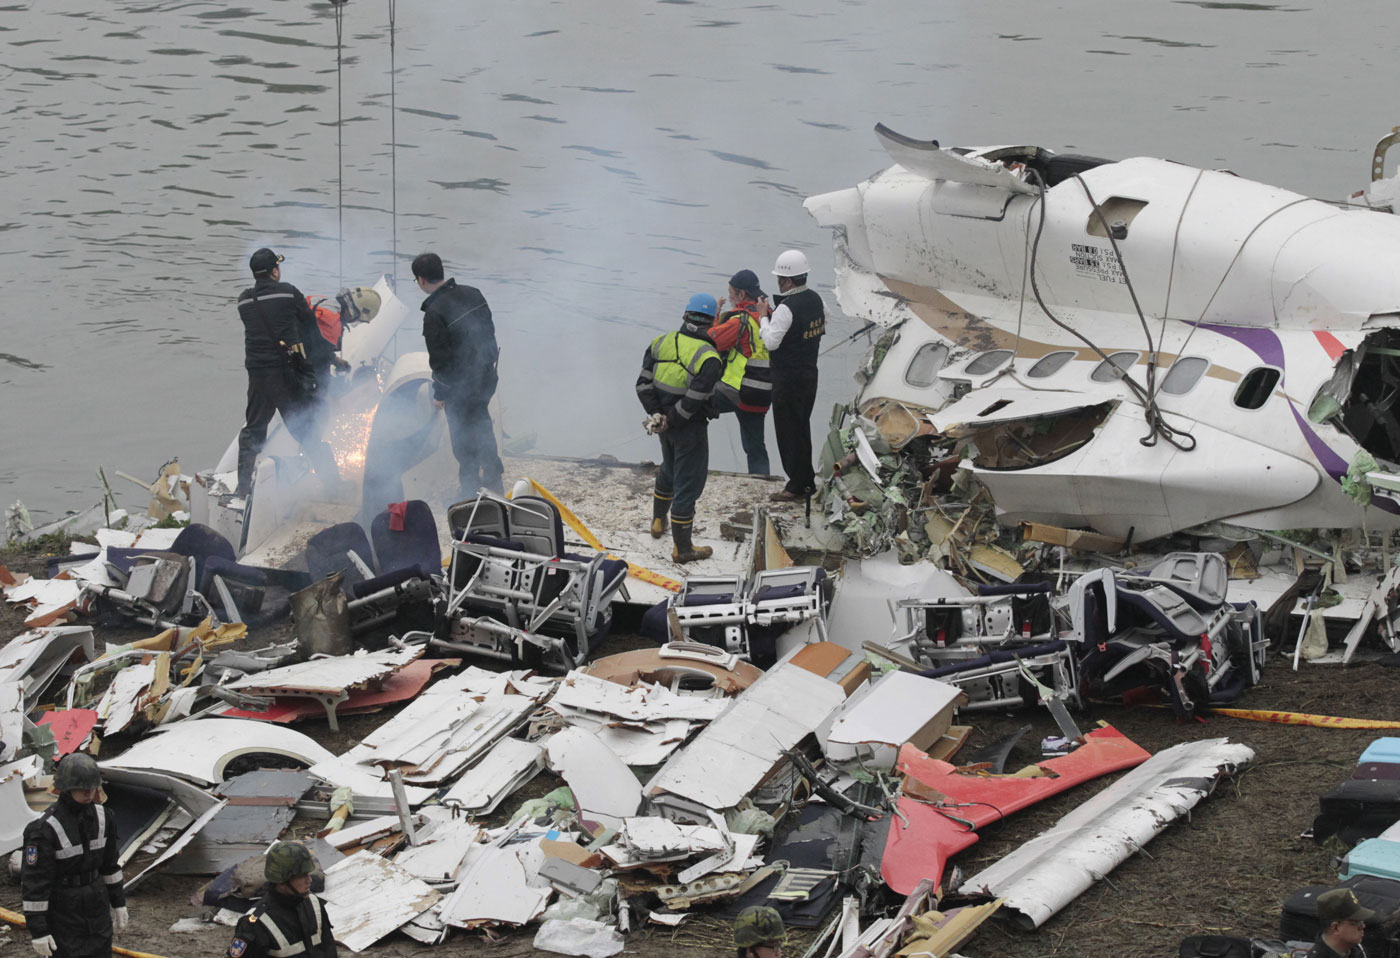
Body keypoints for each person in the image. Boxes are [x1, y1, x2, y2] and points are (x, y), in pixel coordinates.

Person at [235, 247, 344, 498]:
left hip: (258, 375)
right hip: (287, 373)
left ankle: (242, 490)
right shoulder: (288, 292)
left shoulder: (243, 301)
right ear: (275, 271)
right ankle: (334, 486)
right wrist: (331, 359)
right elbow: (311, 330)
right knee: (306, 431)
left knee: (253, 428)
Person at [636, 293, 724, 563]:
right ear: (711, 322)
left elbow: (642, 385)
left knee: (669, 468)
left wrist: (658, 415)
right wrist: (673, 419)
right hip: (688, 428)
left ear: (685, 316)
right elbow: (695, 398)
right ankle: (683, 549)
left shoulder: (659, 342)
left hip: (662, 424)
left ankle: (657, 521)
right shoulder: (709, 357)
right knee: (688, 483)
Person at [413, 252, 504, 498]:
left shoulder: (434, 313)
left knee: (463, 442)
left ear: (421, 280)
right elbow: (489, 333)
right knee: (483, 425)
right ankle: (495, 482)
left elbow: (440, 361)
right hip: (486, 378)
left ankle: (470, 492)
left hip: (461, 389)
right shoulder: (474, 293)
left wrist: (440, 394)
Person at [21, 753, 128, 958]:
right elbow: (35, 884)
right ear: (67, 788)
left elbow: (110, 866)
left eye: (92, 787)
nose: (88, 793)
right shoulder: (43, 830)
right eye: (82, 788)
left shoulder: (104, 817)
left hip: (97, 906)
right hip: (64, 912)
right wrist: (39, 932)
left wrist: (118, 902)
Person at [761, 249, 826, 501]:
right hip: (809, 375)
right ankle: (806, 482)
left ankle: (795, 486)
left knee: (788, 432)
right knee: (802, 428)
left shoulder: (786, 309)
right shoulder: (816, 299)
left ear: (787, 281)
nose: (778, 281)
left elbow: (771, 343)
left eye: (779, 278)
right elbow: (824, 320)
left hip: (787, 380)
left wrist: (762, 318)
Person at [226, 841, 336, 958]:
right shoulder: (255, 924)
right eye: (301, 876)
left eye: (308, 874)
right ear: (282, 881)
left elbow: (329, 949)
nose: (309, 880)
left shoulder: (314, 904)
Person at [710, 269, 772, 475]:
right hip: (763, 392)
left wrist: (715, 316)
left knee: (693, 407)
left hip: (736, 390)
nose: (729, 298)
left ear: (742, 295)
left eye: (731, 293)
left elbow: (712, 342)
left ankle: (688, 464)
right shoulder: (769, 316)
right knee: (755, 445)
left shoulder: (740, 320)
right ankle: (761, 481)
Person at [1307, 887, 1373, 957]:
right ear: (1336, 928)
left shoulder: (1354, 947)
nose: (1363, 926)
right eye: (1356, 922)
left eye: (1362, 921)